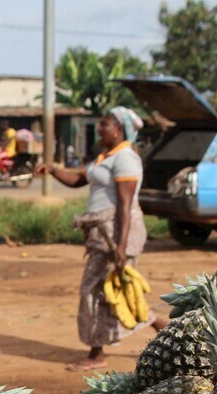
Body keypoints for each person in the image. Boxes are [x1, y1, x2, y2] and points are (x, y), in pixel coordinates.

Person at [35, 106, 168, 372]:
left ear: (119, 130)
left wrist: (120, 245)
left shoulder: (126, 159)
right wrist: (52, 169)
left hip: (116, 232)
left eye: (105, 124)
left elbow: (125, 205)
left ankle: (99, 352)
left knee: (98, 290)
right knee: (106, 291)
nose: (100, 128)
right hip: (103, 233)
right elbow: (76, 180)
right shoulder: (106, 157)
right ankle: (160, 327)